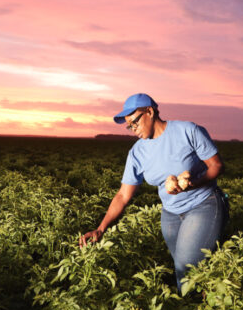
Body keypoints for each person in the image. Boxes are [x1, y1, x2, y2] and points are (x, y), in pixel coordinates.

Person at [79, 93, 229, 293]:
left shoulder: (187, 130)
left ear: (149, 112)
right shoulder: (137, 153)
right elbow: (123, 196)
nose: (133, 130)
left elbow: (217, 165)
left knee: (186, 270)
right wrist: (101, 228)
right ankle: (204, 303)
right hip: (171, 214)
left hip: (202, 204)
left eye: (135, 122)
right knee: (186, 271)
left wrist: (192, 183)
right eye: (129, 126)